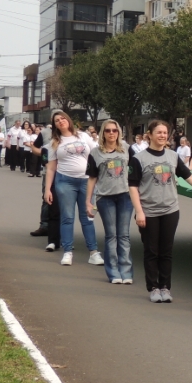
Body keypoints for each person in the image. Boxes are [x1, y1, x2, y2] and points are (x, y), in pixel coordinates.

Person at [129, 119, 192, 303]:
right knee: (151, 251)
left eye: (165, 133)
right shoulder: (138, 159)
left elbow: (189, 177)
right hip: (148, 211)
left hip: (170, 210)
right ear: (150, 135)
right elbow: (133, 187)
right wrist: (139, 211)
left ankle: (165, 287)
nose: (162, 135)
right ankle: (153, 287)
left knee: (166, 251)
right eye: (159, 132)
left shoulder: (172, 156)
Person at [44, 110, 102, 267]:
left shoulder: (83, 136)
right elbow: (51, 168)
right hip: (65, 181)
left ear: (68, 120)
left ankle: (93, 252)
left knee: (87, 217)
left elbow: (97, 153)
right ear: (55, 125)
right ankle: (68, 252)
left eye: (63, 118)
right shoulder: (54, 142)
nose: (61, 121)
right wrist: (47, 190)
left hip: (86, 181)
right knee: (67, 217)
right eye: (57, 120)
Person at [86, 120, 134, 284]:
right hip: (105, 198)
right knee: (111, 235)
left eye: (114, 130)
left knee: (124, 235)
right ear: (103, 133)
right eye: (108, 131)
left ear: (119, 132)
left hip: (125, 196)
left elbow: (136, 172)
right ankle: (114, 273)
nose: (111, 133)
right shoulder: (95, 153)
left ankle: (126, 272)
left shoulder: (126, 149)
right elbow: (92, 178)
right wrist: (88, 202)